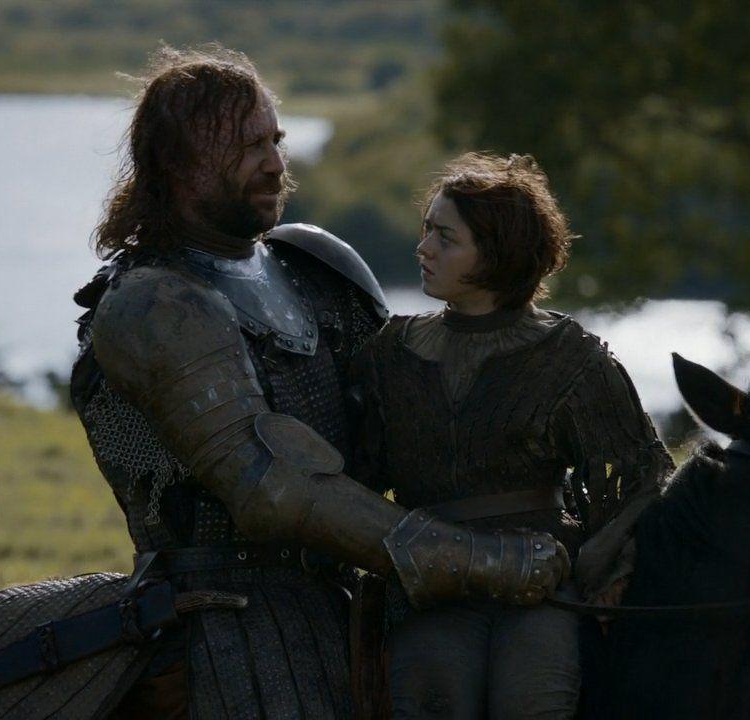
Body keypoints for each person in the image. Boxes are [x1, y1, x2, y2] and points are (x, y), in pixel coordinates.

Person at [67, 47, 567, 719]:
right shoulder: (152, 303)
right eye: (248, 147)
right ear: (180, 163)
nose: (276, 163)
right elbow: (271, 491)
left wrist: (544, 472)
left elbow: (417, 414)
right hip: (222, 622)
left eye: (275, 140)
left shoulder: (314, 265)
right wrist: (478, 559)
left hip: (358, 594)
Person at [353, 152, 674, 719]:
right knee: (430, 700)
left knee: (534, 703)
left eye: (445, 238)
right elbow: (356, 478)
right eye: (426, 230)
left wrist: (607, 572)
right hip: (430, 587)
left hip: (543, 586)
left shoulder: (570, 357)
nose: (423, 249)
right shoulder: (389, 354)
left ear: (496, 253)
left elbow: (640, 478)